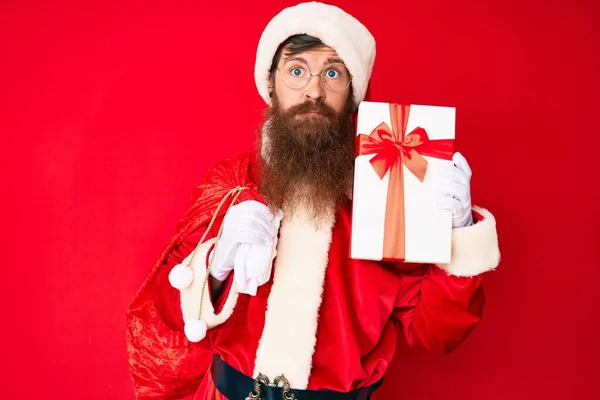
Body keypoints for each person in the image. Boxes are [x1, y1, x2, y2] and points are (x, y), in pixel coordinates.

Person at [126, 2, 500, 399]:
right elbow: (165, 314)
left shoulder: (388, 196)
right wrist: (215, 267)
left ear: (353, 93)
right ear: (271, 83)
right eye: (297, 70)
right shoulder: (231, 182)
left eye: (333, 73)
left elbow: (434, 333)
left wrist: (458, 233)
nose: (314, 90)